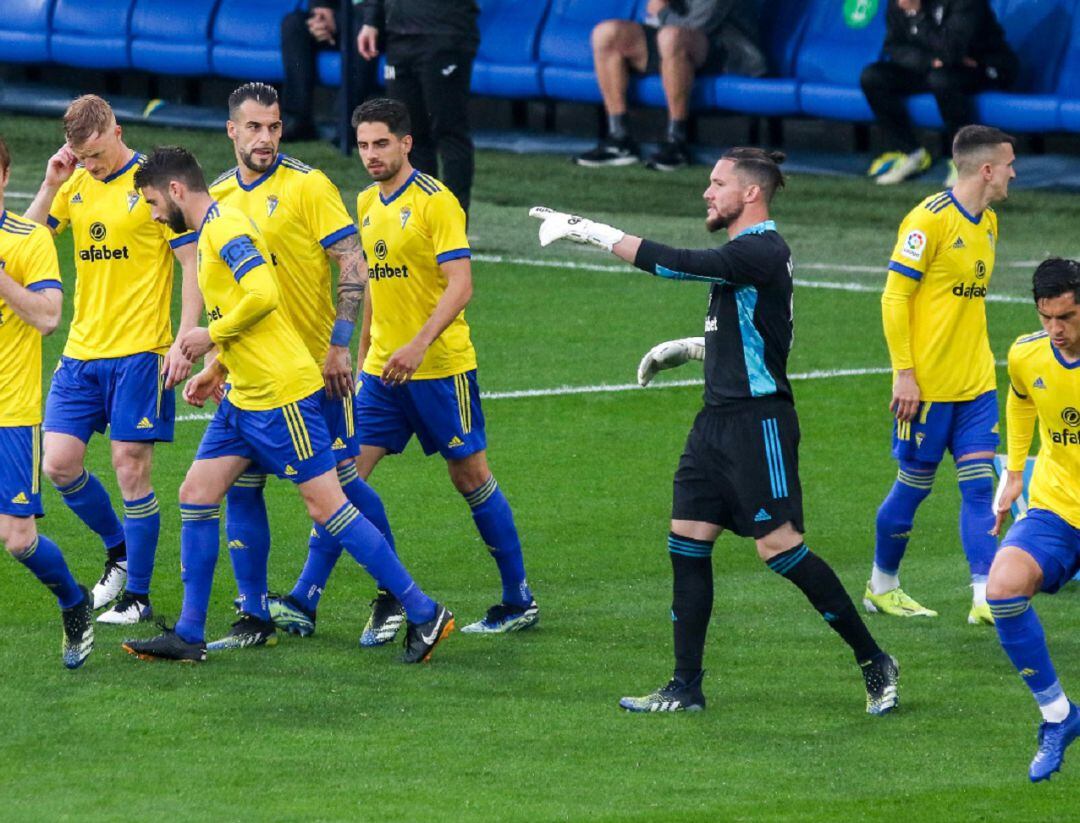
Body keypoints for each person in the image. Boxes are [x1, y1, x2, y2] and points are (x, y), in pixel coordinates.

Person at [530, 148, 899, 715]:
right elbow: (759, 335)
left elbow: (677, 263)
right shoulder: (747, 256)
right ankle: (685, 686)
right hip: (715, 423)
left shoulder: (761, 249)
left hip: (758, 424)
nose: (707, 192)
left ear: (750, 193)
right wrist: (693, 348)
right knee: (687, 543)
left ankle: (874, 660)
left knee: (779, 550)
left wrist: (590, 231)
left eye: (717, 182)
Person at [122, 146, 454, 664]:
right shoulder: (211, 230)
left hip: (282, 396)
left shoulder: (226, 229)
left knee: (329, 505)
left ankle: (423, 610)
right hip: (243, 398)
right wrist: (216, 368)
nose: (150, 212)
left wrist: (209, 336)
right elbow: (239, 307)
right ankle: (189, 633)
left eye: (150, 200)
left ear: (175, 190)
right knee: (196, 492)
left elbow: (262, 295)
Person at [274, 97, 538, 644]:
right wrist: (360, 348)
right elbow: (370, 281)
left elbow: (461, 285)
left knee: (470, 478)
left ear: (406, 143)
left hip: (440, 368)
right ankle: (304, 598)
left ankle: (518, 599)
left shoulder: (437, 202)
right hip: (380, 376)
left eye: (381, 144)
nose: (370, 155)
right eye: (364, 145)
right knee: (340, 479)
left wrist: (418, 344)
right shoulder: (366, 201)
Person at [208, 81, 395, 646]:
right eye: (255, 128)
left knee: (340, 490)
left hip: (316, 373)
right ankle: (253, 614)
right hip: (250, 374)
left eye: (274, 126)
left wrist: (341, 345)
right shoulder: (218, 196)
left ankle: (391, 596)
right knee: (241, 485)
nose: (266, 138)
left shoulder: (309, 186)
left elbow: (353, 265)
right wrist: (218, 360)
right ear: (232, 131)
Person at [23, 95, 201, 625]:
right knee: (57, 464)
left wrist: (184, 337)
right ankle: (120, 553)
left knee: (130, 467)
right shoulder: (73, 180)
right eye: (83, 156)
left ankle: (138, 597)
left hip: (141, 353)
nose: (93, 165)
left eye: (98, 155)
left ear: (117, 131)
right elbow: (24, 242)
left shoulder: (153, 186)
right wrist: (54, 181)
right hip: (81, 352)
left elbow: (192, 261)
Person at [864, 125, 1015, 625]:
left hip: (976, 385)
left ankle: (984, 596)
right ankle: (882, 585)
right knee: (914, 485)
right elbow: (893, 297)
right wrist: (904, 374)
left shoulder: (989, 222)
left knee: (979, 487)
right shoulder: (926, 221)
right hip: (926, 388)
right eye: (1009, 164)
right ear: (987, 169)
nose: (1014, 172)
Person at [0, 135, 94, 670]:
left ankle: (73, 600)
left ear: (5, 177)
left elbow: (47, 317)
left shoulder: (27, 240)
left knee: (17, 539)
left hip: (10, 415)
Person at [988, 258, 1080, 782]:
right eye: (1047, 318)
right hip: (1059, 506)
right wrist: (1016, 472)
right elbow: (1022, 399)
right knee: (1002, 587)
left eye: (1066, 317)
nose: (1056, 331)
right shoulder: (1027, 353)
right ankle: (1059, 716)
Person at [575, 0, 766, 172]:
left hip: (731, 53)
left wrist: (660, 11)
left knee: (671, 37)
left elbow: (695, 24)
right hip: (677, 44)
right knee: (606, 33)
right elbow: (651, 21)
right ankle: (619, 139)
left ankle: (677, 142)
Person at [861, 0, 1017, 186]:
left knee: (942, 80)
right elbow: (894, 47)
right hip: (936, 66)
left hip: (985, 67)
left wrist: (917, 16)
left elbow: (951, 49)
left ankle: (966, 161)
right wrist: (929, 61)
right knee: (874, 77)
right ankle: (911, 153)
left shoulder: (965, 3)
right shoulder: (903, 2)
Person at [358, 0, 480, 215]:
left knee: (449, 132)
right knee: (409, 136)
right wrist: (370, 22)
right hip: (398, 35)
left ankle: (453, 228)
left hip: (444, 33)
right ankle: (422, 223)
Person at [280, 1, 379, 141]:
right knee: (294, 24)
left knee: (359, 26)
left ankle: (345, 124)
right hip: (341, 14)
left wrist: (370, 19)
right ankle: (297, 121)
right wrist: (321, 10)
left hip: (376, 19)